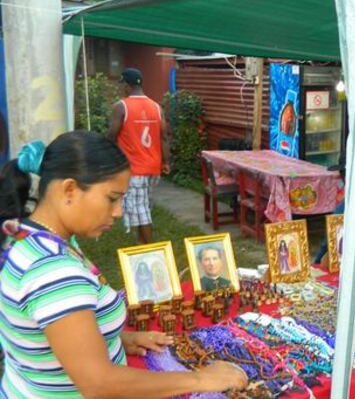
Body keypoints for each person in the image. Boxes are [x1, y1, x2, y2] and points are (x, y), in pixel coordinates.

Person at [0, 131, 246, 398]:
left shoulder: (29, 236)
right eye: (112, 198)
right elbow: (100, 385)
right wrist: (201, 379)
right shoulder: (53, 271)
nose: (118, 212)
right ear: (69, 189)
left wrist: (113, 339)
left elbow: (50, 333)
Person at [108, 68, 171, 245]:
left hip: (134, 168)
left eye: (122, 85)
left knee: (141, 210)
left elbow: (112, 134)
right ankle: (140, 244)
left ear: (127, 85)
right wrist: (166, 162)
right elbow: (164, 136)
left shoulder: (121, 106)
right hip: (153, 167)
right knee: (142, 206)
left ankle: (150, 250)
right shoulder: (156, 107)